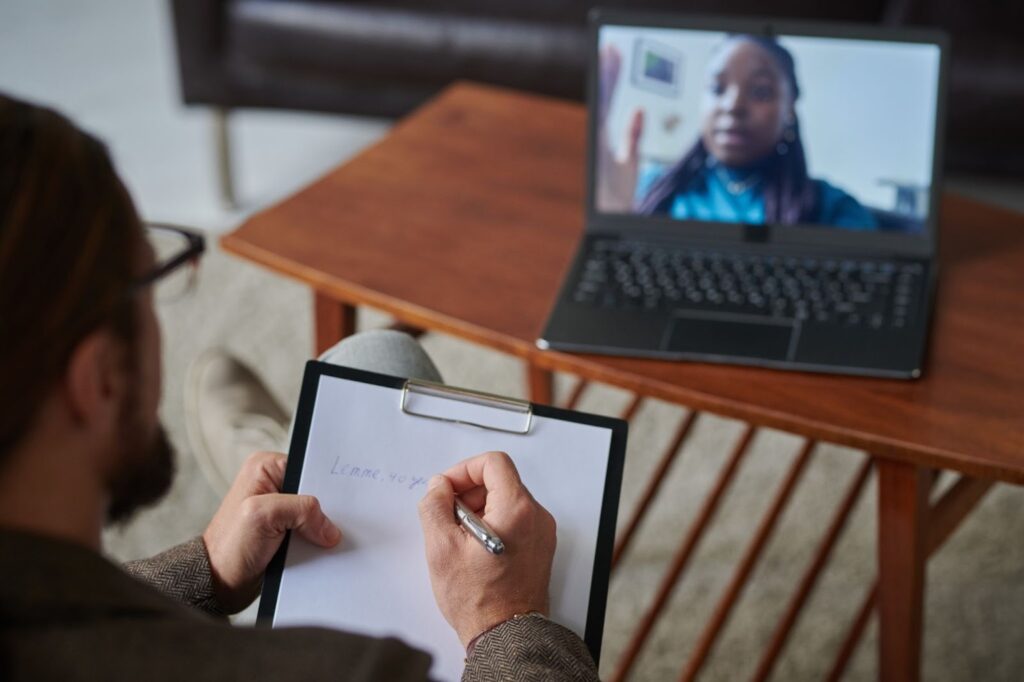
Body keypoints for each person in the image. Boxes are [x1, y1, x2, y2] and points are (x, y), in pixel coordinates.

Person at [0, 94, 598, 680]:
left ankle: (290, 449)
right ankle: (279, 443)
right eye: (154, 283)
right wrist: (508, 620)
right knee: (379, 358)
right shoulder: (354, 668)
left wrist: (203, 571)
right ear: (98, 379)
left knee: (374, 358)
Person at [596, 34, 878, 230]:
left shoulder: (835, 210)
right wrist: (615, 223)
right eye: (717, 89)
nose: (732, 106)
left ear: (790, 109)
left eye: (760, 91)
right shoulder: (648, 189)